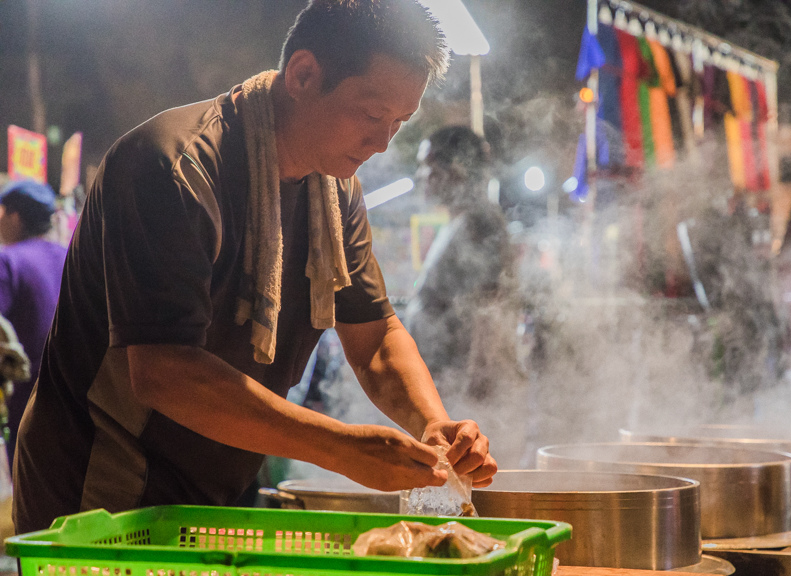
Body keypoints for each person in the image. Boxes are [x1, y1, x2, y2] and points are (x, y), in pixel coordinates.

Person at [13, 0, 497, 535]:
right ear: (304, 74)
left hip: (217, 486)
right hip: (100, 486)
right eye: (371, 114)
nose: (382, 143)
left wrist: (435, 426)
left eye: (400, 123)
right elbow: (163, 371)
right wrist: (340, 447)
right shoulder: (176, 168)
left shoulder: (335, 191)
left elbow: (376, 338)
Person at [404, 126, 517, 399]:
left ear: (456, 169)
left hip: (460, 389)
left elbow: (489, 305)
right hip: (444, 383)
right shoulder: (457, 222)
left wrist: (478, 382)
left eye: (428, 166)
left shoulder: (480, 222)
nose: (421, 176)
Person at [0, 180, 68, 469]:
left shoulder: (8, 260)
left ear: (15, 216)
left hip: (27, 400)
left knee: (28, 489)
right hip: (70, 393)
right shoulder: (68, 254)